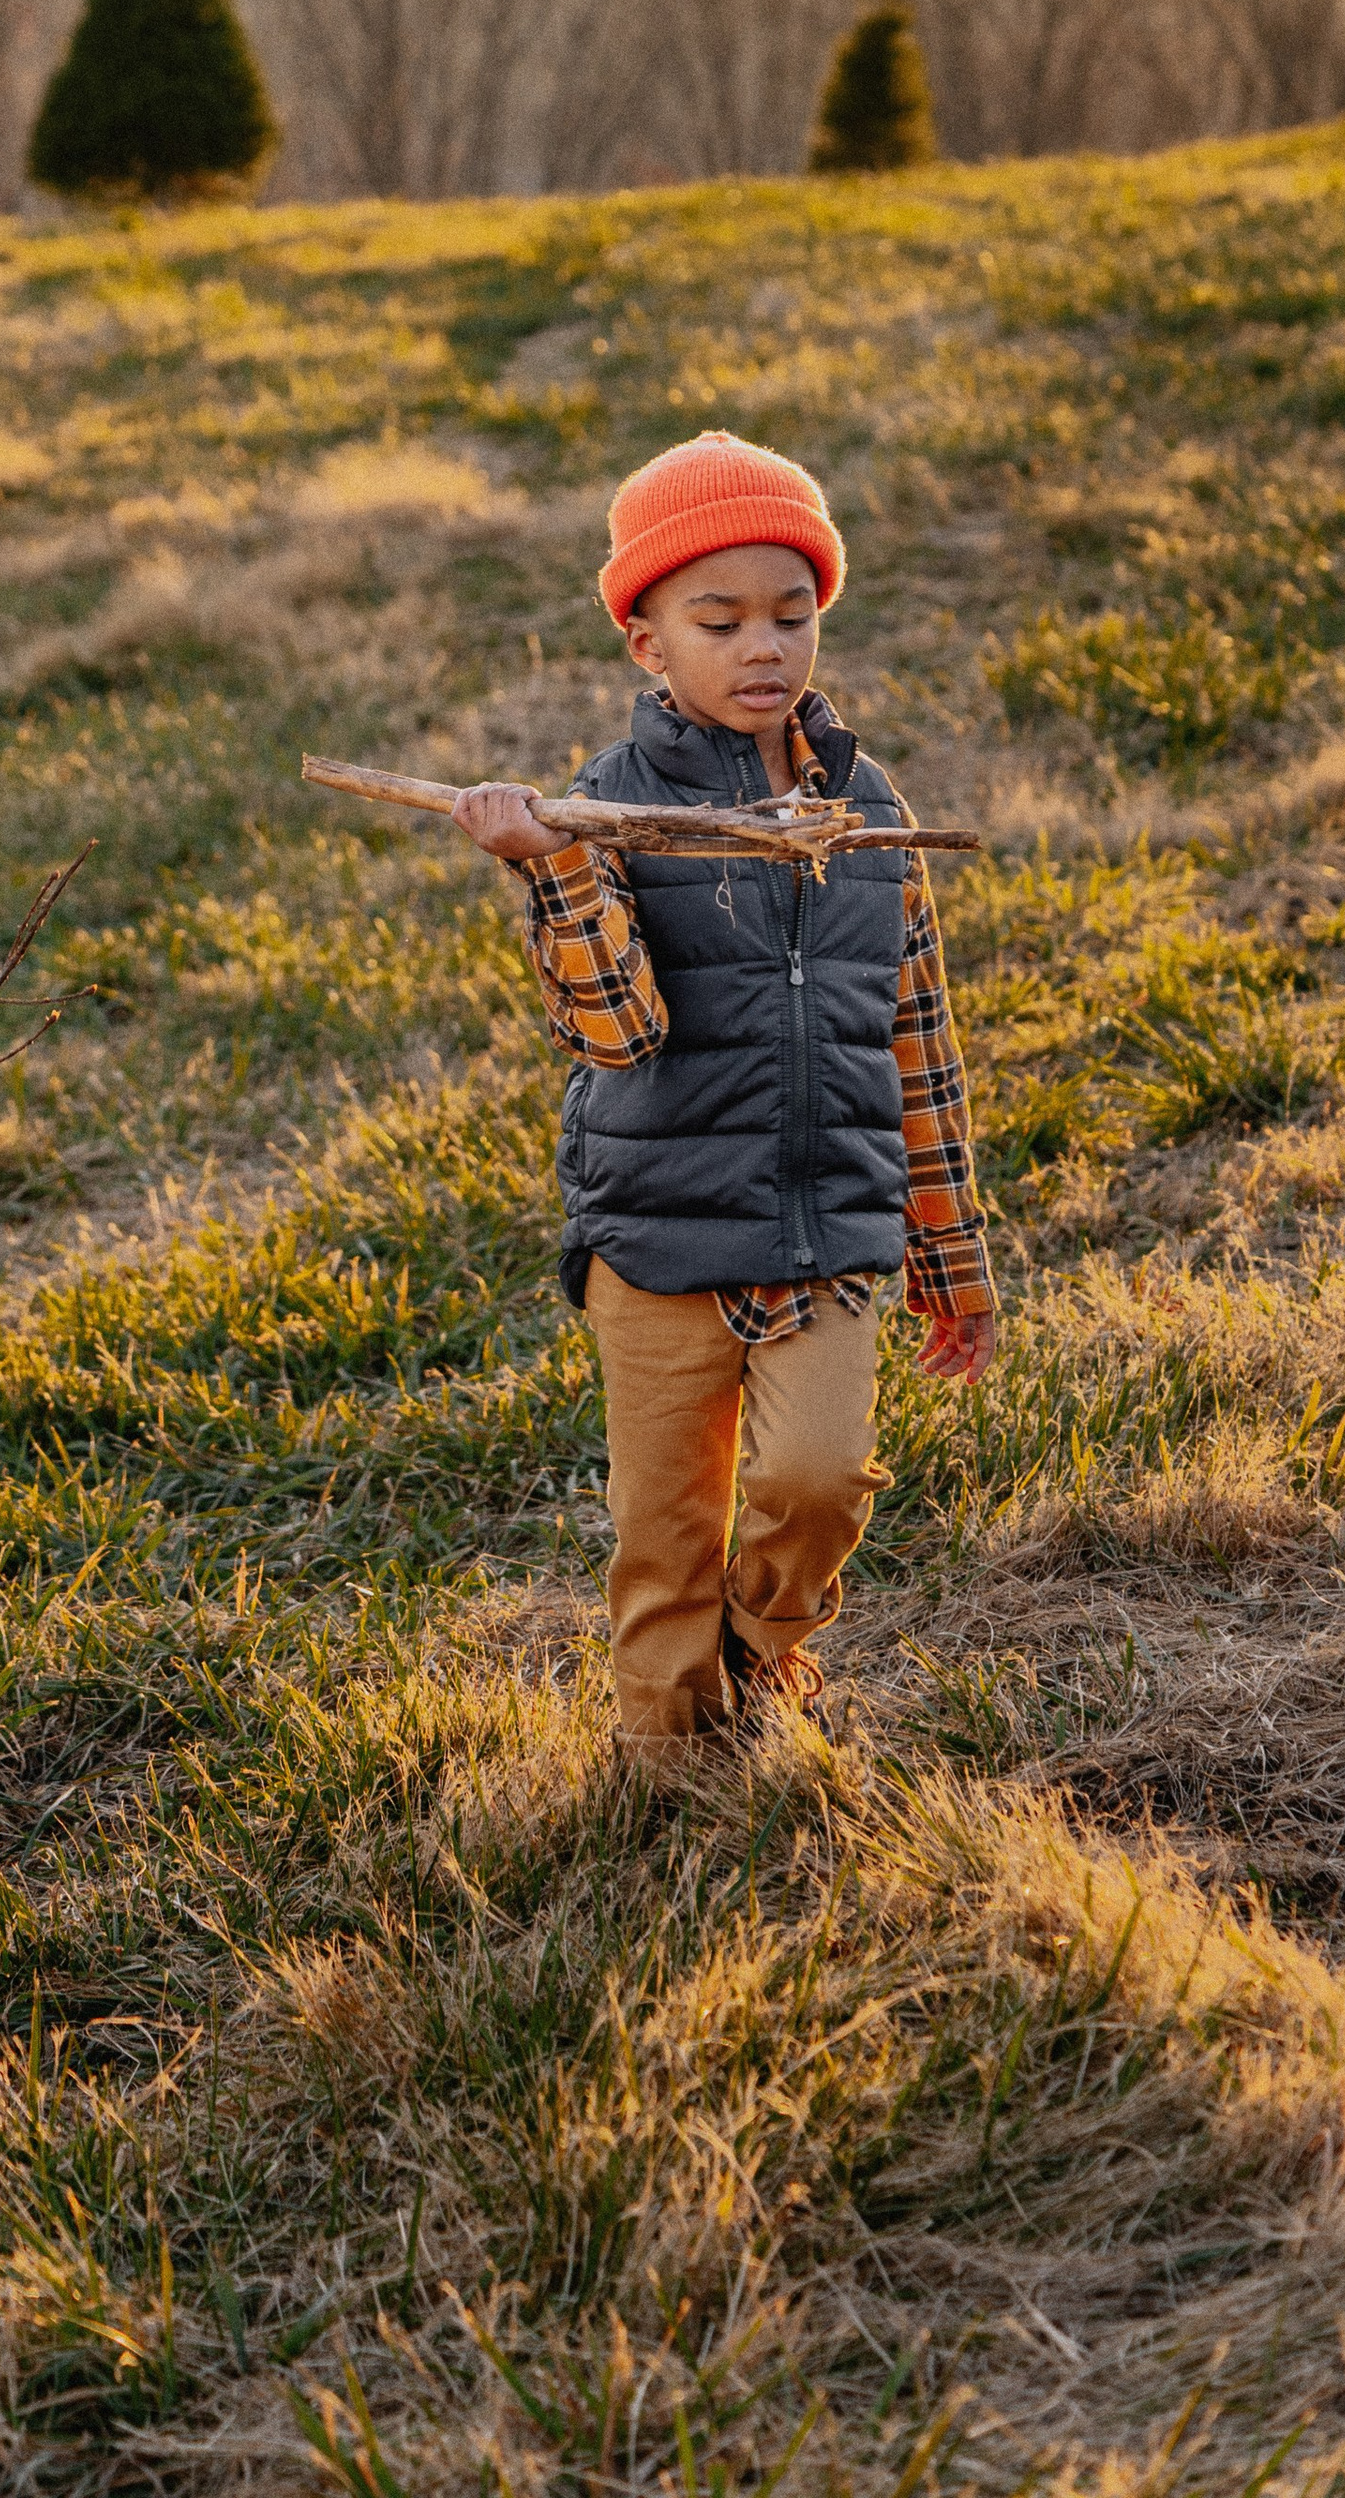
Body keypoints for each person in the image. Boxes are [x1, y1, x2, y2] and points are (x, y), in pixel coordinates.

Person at [451, 428, 995, 1741]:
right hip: (660, 1231)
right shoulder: (606, 811)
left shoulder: (868, 811)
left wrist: (954, 1251)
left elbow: (918, 1036)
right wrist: (552, 872)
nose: (764, 647)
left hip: (829, 1221)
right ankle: (664, 1762)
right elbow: (619, 1034)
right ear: (650, 644)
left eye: (790, 616)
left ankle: (766, 1649)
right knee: (664, 1530)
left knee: (818, 1482)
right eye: (722, 619)